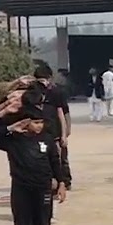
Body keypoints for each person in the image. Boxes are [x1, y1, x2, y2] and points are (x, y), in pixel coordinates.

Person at [34, 62, 72, 191]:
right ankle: (50, 184)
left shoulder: (56, 92)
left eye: (44, 80)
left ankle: (65, 181)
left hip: (55, 132)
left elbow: (63, 112)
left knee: (61, 158)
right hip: (40, 132)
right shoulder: (33, 93)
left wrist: (66, 131)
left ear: (50, 79)